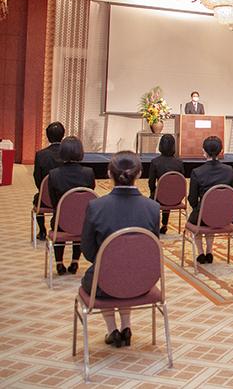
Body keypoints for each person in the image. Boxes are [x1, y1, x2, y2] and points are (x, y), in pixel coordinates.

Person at [80, 151, 160, 348]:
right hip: (141, 282)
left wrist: (108, 260)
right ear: (139, 174)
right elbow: (151, 250)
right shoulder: (153, 207)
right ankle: (126, 326)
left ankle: (112, 330)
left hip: (103, 283)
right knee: (128, 269)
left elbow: (88, 251)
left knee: (106, 273)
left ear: (109, 173)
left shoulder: (96, 207)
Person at [48, 136, 96, 275]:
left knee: (58, 219)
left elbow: (54, 202)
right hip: (82, 222)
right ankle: (75, 261)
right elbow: (89, 197)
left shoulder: (54, 174)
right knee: (80, 219)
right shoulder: (89, 173)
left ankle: (59, 263)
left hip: (60, 221)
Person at [187, 136, 233, 263]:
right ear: (221, 151)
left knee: (203, 214)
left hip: (203, 217)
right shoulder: (229, 171)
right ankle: (209, 251)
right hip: (224, 216)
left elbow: (192, 199)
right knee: (213, 212)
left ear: (203, 151)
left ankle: (200, 252)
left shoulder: (197, 172)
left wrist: (198, 208)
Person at [32, 121, 65, 241]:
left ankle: (42, 231)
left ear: (47, 136)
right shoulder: (69, 154)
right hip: (67, 198)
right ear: (63, 135)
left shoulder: (41, 155)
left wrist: (44, 191)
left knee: (37, 198)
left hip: (46, 198)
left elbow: (37, 178)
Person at [147, 134, 184, 234]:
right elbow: (181, 182)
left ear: (160, 146)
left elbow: (151, 182)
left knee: (158, 195)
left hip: (160, 197)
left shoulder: (155, 162)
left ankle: (152, 225)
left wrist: (153, 192)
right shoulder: (179, 163)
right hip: (176, 198)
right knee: (168, 191)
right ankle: (165, 224)